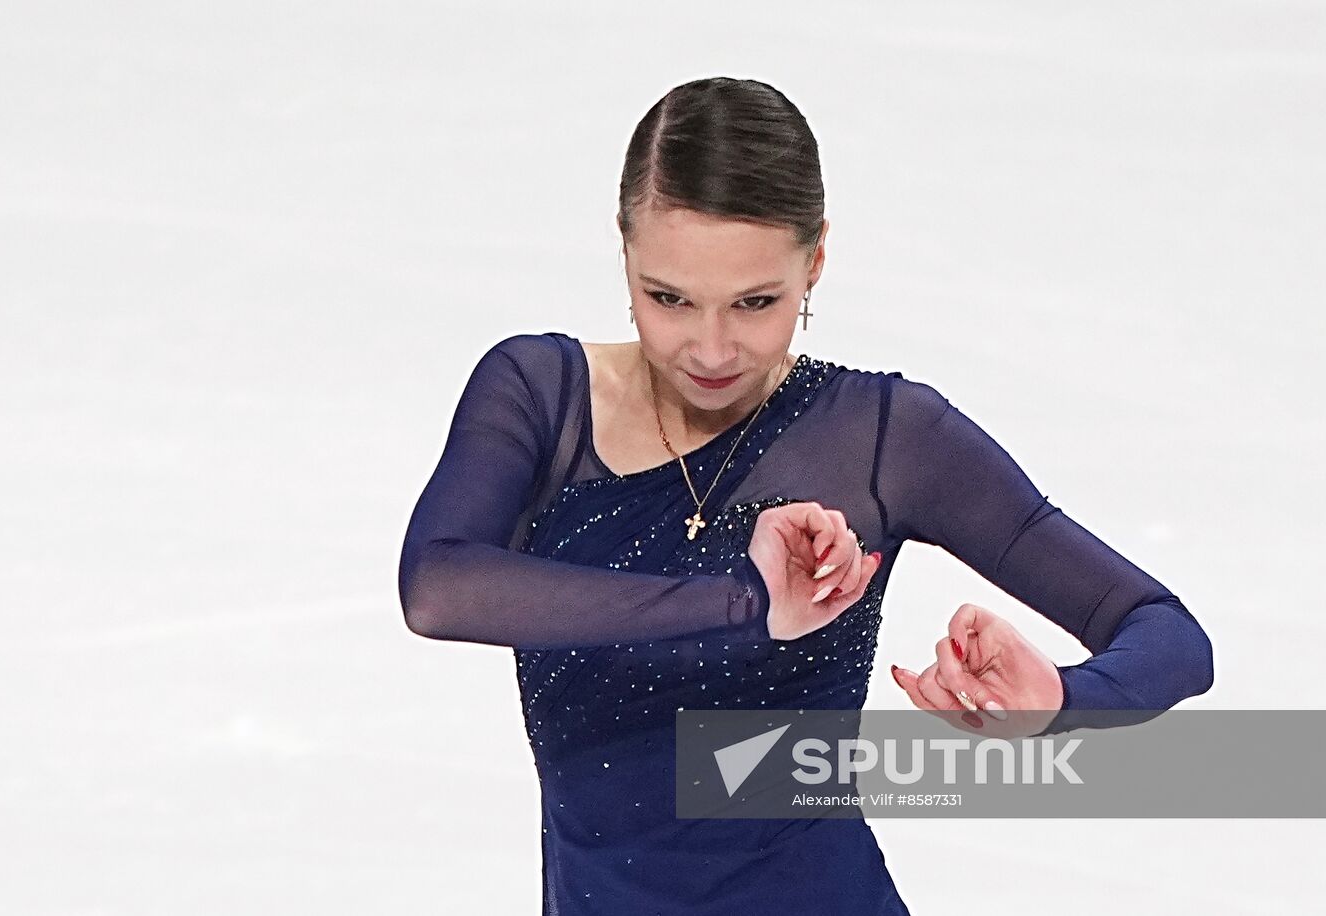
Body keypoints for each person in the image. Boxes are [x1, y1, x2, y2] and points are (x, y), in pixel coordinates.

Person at [398, 76, 1213, 915]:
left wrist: (1064, 702)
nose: (710, 348)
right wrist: (744, 604)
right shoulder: (540, 397)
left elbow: (1167, 633)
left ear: (815, 260)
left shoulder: (882, 438)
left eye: (756, 303)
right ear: (625, 250)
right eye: (668, 297)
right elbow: (437, 587)